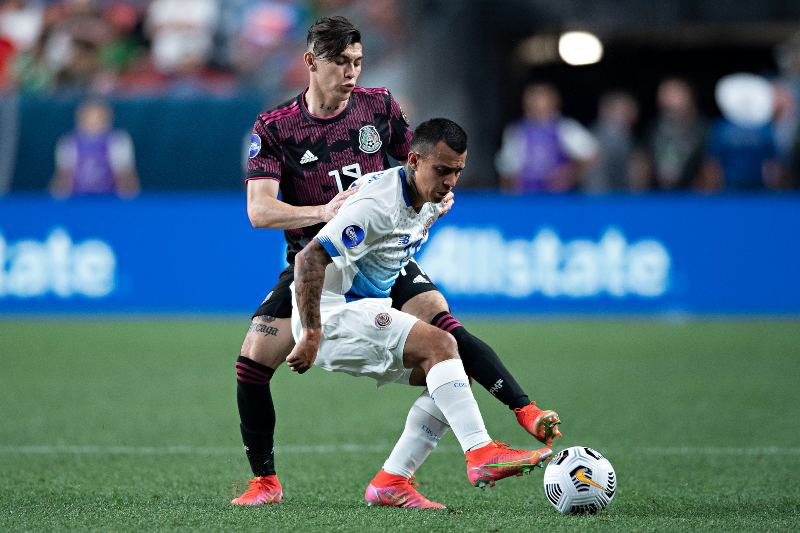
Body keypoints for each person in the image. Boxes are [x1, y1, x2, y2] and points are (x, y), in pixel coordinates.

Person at [232, 16, 561, 507]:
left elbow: (420, 162)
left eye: (357, 62)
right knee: (252, 366)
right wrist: (321, 211)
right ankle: (265, 482)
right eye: (341, 63)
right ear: (310, 62)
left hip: (384, 250)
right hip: (320, 261)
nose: (351, 73)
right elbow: (260, 211)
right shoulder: (276, 127)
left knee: (447, 337)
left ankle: (520, 411)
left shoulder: (378, 106)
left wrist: (437, 196)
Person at [288, 118, 552, 504]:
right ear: (413, 160)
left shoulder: (433, 196)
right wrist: (311, 333)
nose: (449, 181)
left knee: (451, 374)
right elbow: (309, 259)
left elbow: (426, 209)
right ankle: (480, 452)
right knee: (441, 345)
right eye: (441, 170)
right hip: (334, 315)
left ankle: (391, 481)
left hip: (365, 307)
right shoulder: (377, 206)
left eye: (457, 172)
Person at [495, 82, 596, 193]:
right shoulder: (516, 130)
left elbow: (592, 155)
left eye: (539, 99)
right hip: (526, 196)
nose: (534, 104)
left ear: (553, 102)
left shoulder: (565, 127)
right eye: (531, 99)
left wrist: (570, 174)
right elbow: (507, 169)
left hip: (559, 198)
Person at [49, 98, 140, 197]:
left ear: (108, 119)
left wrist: (127, 203)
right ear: (79, 119)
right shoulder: (68, 142)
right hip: (77, 202)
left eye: (98, 117)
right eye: (88, 117)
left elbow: (126, 179)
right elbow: (63, 179)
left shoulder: (118, 141)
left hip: (110, 202)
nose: (93, 122)